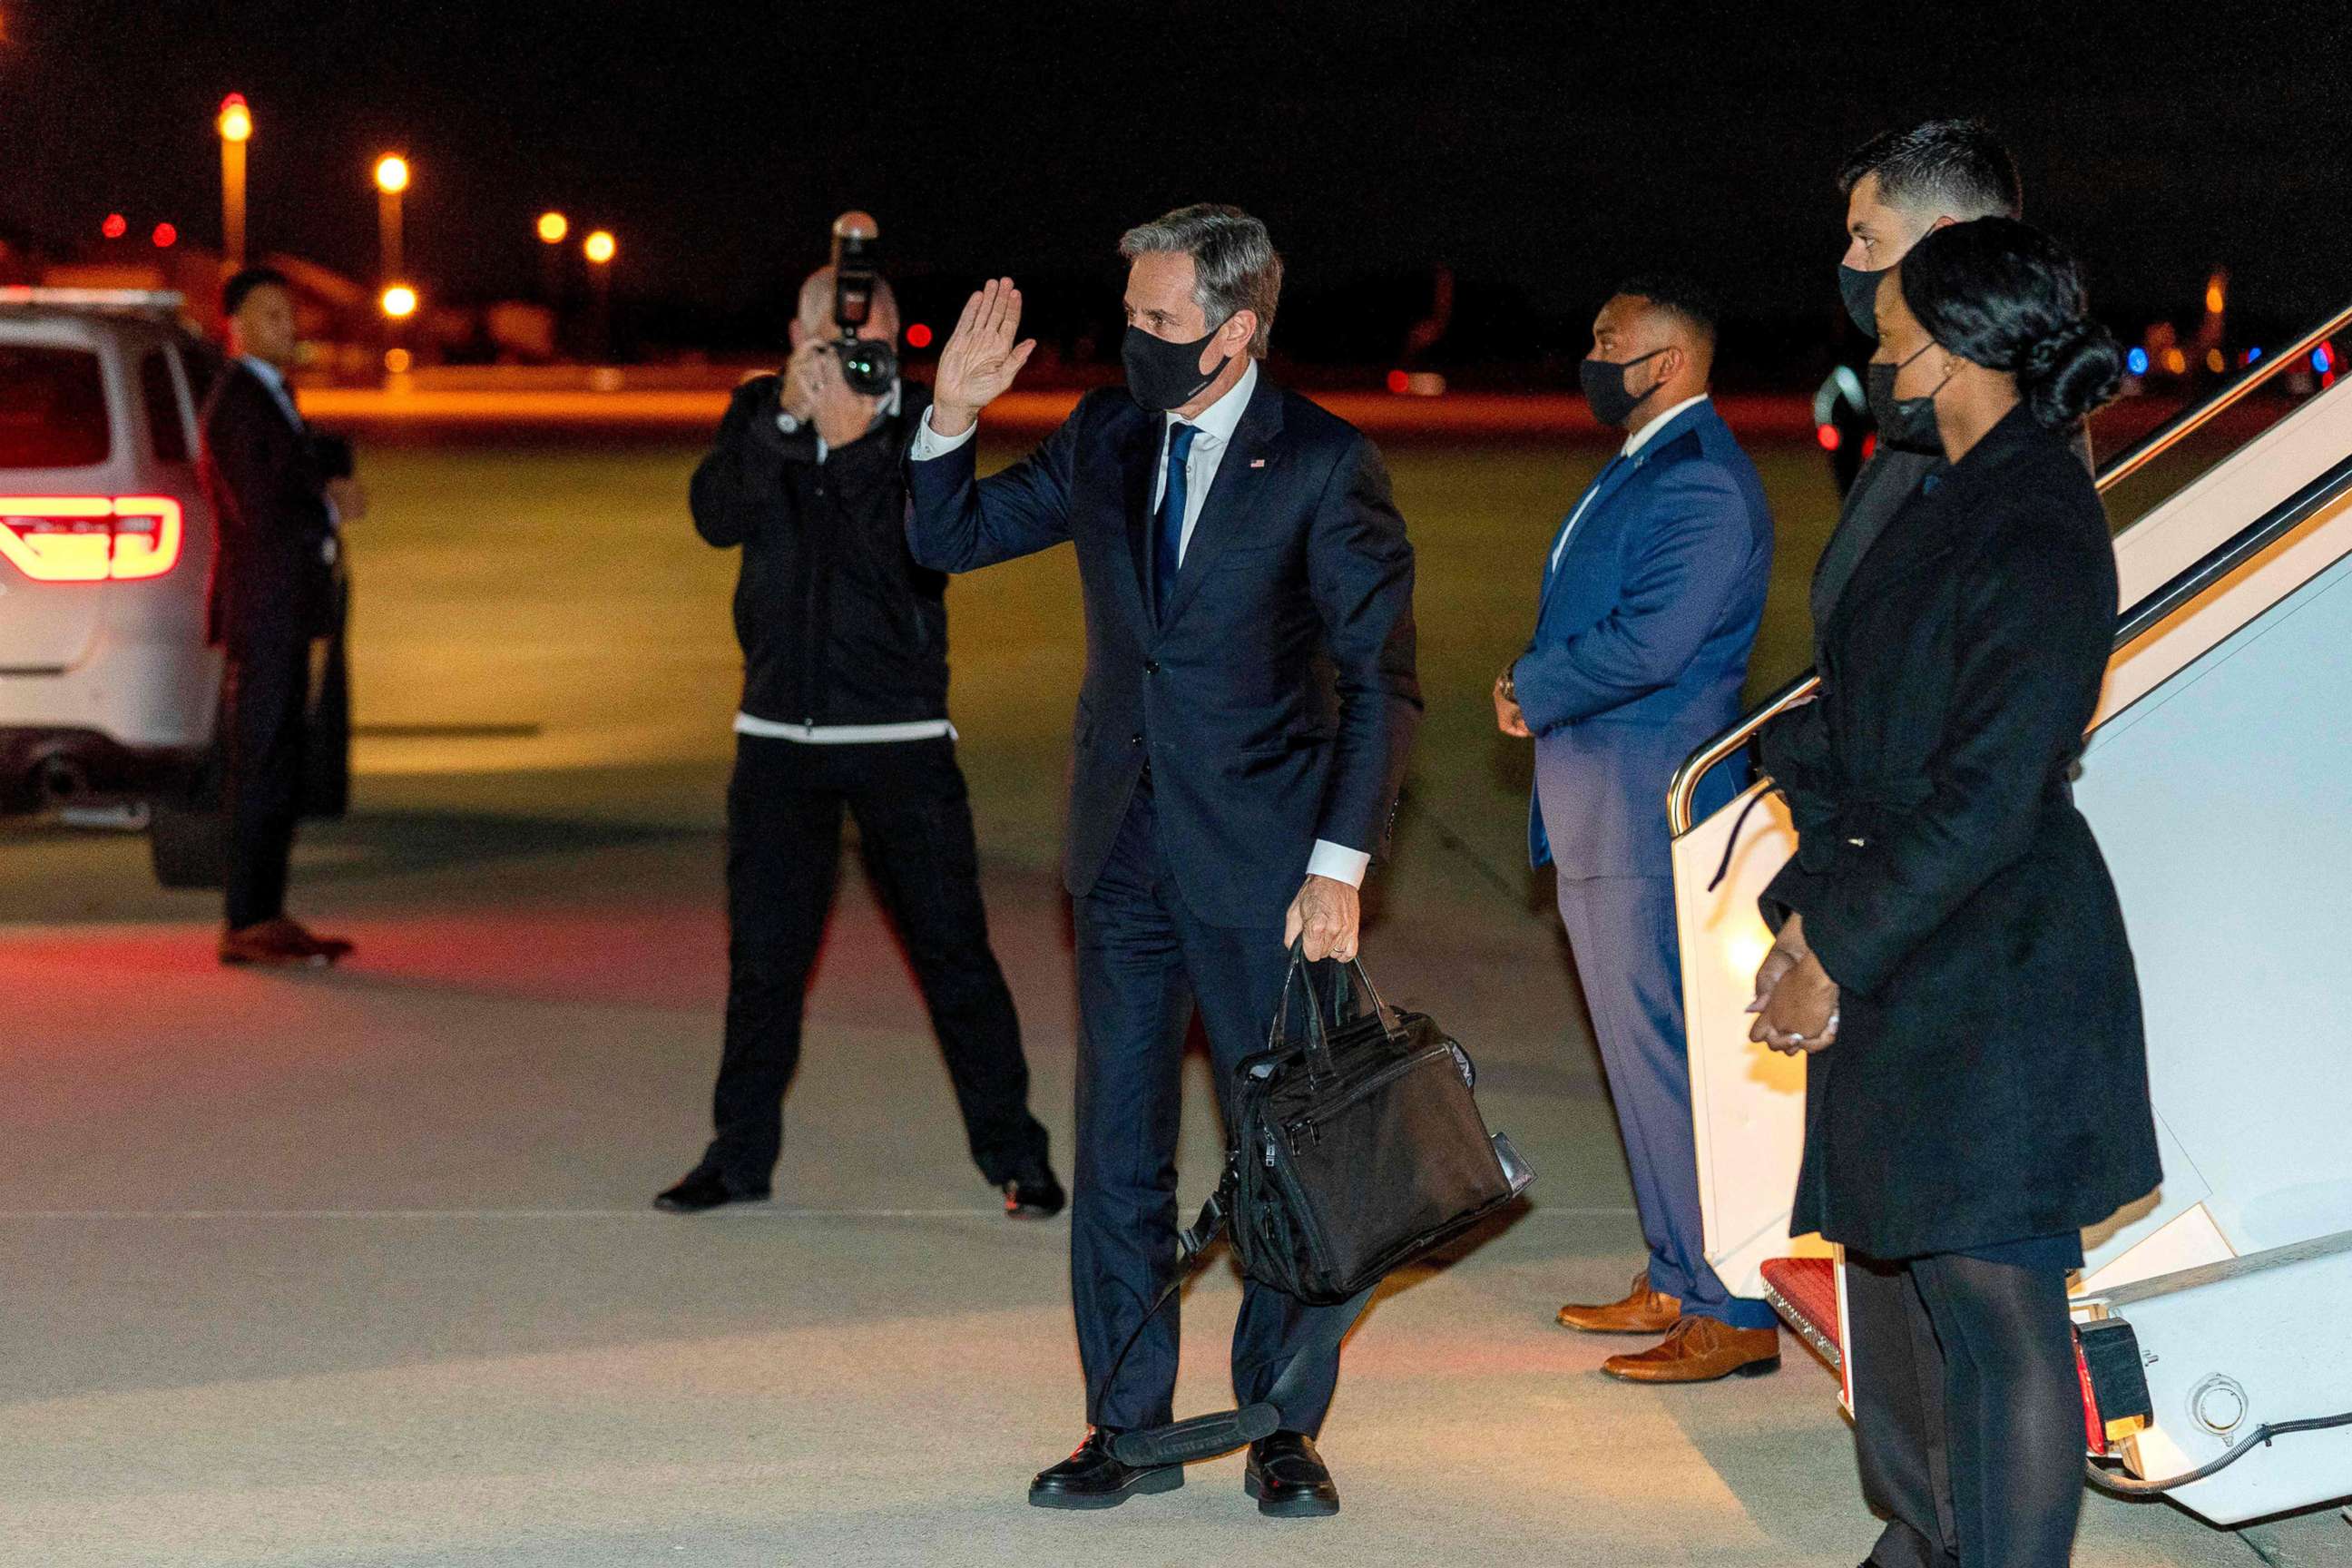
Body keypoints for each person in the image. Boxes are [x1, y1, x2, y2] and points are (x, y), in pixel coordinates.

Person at [906, 205, 1418, 1517]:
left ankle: (1283, 1425)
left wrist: (1340, 866)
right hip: (1124, 853)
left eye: (1157, 320)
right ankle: (1121, 1426)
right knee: (1121, 1153)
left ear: (1235, 330)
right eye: (1129, 312)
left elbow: (1380, 684)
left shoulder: (1321, 463)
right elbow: (946, 540)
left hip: (1269, 867)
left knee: (1288, 1155)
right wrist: (949, 415)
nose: (1129, 336)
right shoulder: (1105, 435)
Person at [1749, 218, 2161, 1568]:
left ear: (1967, 345)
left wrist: (1833, 948)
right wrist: (1804, 912)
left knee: (1999, 1312)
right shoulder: (1949, 488)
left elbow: (1987, 790)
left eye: (1896, 326)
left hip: (2000, 969)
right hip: (1927, 947)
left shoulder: (2038, 515)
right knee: (1947, 1297)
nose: (1877, 350)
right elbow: (1866, 721)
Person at [654, 267, 1063, 1221]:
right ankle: (737, 1155)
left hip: (900, 736)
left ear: (894, 329)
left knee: (955, 954)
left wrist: (861, 443)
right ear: (794, 329)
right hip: (776, 739)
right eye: (830, 318)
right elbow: (716, 516)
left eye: (869, 316)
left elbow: (922, 549)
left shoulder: (925, 416)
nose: (850, 333)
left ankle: (1016, 1156)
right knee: (763, 963)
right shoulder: (761, 406)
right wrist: (787, 424)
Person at [1762, 117, 2024, 1568]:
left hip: (1935, 918)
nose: (1850, 270)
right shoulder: (1919, 435)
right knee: (1889, 1252)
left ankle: (1950, 1536)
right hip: (1876, 884)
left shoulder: (2006, 459)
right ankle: (1915, 1526)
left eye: (1870, 240)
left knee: (1969, 1283)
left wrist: (1844, 928)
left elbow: (1970, 738)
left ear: (1945, 245)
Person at [1495, 278, 1778, 1380]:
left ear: (1667, 361)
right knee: (1636, 1054)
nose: (1592, 353)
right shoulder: (1650, 463)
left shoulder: (1700, 481)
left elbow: (1654, 643)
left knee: (1669, 1061)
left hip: (1647, 806)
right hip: (1602, 801)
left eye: (1609, 339)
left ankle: (1731, 1311)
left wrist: (1534, 682)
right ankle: (1675, 1270)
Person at [199, 266, 362, 967]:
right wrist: (329, 504)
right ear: (234, 326)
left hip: (286, 607)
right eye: (270, 315)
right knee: (262, 761)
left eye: (290, 314)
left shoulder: (273, 395)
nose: (287, 327)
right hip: (265, 608)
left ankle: (267, 911)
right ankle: (248, 921)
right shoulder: (238, 401)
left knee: (281, 760)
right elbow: (259, 507)